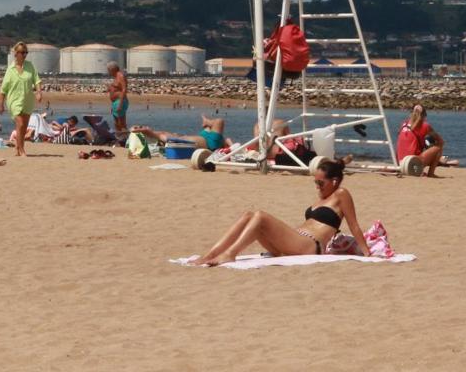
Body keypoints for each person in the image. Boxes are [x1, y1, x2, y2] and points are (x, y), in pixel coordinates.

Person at [188, 159, 369, 266]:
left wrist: (367, 253)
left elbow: (354, 225)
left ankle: (230, 254)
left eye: (320, 183)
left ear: (335, 181)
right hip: (292, 243)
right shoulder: (322, 198)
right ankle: (211, 254)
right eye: (315, 183)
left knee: (260, 216)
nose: (317, 187)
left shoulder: (341, 194)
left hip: (309, 246)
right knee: (248, 215)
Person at [1, 42, 39, 157]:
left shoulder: (30, 66)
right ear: (16, 53)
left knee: (23, 127)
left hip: (27, 100)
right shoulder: (10, 69)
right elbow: (4, 88)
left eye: (25, 52)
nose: (24, 55)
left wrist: (39, 92)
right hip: (14, 100)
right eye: (22, 52)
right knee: (20, 123)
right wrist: (1, 104)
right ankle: (22, 150)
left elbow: (36, 80)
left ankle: (17, 148)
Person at [397, 104, 444, 177]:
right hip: (411, 164)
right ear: (424, 115)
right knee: (438, 147)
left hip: (400, 164)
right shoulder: (425, 125)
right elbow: (441, 141)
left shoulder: (404, 124)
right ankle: (431, 174)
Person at [106, 61, 129, 132]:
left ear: (112, 69)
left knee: (121, 123)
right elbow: (117, 88)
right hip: (116, 102)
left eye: (108, 70)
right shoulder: (116, 77)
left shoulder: (120, 76)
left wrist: (120, 104)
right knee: (117, 123)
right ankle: (120, 139)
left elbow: (124, 89)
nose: (108, 72)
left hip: (120, 101)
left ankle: (124, 139)